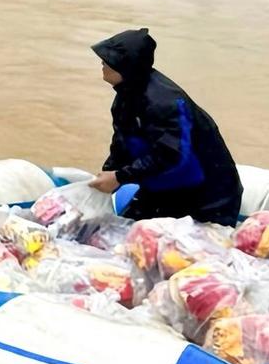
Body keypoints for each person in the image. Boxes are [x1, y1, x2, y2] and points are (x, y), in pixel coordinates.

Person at [88, 28, 242, 226]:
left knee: (154, 240)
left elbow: (170, 154)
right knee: (120, 231)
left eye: (108, 60)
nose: (102, 63)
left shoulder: (164, 103)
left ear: (126, 67)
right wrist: (108, 172)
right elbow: (122, 143)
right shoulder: (125, 98)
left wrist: (120, 177)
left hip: (207, 197)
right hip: (163, 190)